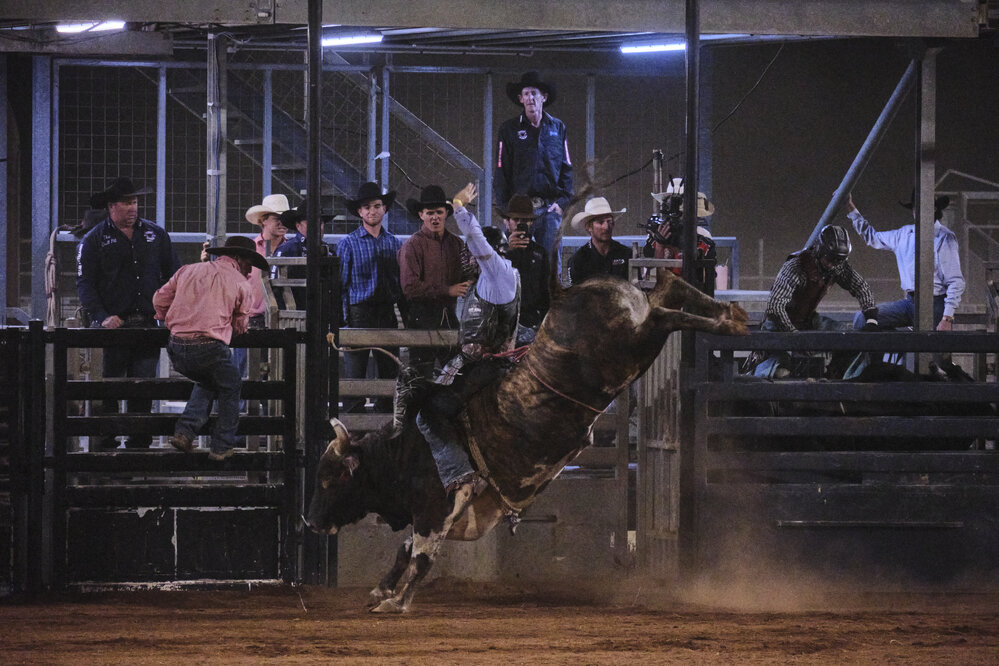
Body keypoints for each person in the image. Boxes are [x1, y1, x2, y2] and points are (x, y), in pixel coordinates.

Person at [414, 184, 520, 496]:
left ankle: (457, 475)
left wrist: (459, 205)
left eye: (471, 254)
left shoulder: (496, 272)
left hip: (484, 368)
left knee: (426, 415)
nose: (468, 259)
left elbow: (474, 238)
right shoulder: (493, 279)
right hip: (477, 365)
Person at [76, 177, 180, 450]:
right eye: (126, 203)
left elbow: (174, 275)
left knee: (142, 385)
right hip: (112, 326)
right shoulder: (94, 240)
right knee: (109, 385)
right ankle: (107, 441)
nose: (132, 208)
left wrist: (167, 311)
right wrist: (101, 316)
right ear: (112, 206)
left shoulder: (155, 235)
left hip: (146, 323)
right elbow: (85, 283)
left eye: (134, 202)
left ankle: (139, 442)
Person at [153, 236, 263, 461]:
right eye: (249, 262)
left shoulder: (188, 270)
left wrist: (171, 319)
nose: (251, 270)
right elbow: (240, 327)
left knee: (209, 379)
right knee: (231, 385)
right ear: (239, 259)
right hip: (210, 347)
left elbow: (159, 299)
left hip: (176, 346)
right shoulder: (241, 283)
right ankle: (221, 446)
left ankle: (184, 432)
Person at [847, 192, 965, 331]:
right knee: (863, 319)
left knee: (931, 349)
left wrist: (947, 318)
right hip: (911, 303)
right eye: (915, 208)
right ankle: (896, 348)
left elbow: (955, 281)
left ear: (933, 209)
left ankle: (906, 343)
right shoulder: (904, 234)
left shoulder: (945, 238)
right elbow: (872, 237)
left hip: (935, 304)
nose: (917, 212)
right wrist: (850, 206)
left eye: (922, 207)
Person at [494, 71, 574, 272]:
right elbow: (501, 169)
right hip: (519, 210)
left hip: (549, 208)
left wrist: (562, 203)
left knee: (549, 265)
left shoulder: (558, 128)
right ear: (520, 99)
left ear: (543, 97)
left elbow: (566, 167)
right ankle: (517, 303)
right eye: (526, 94)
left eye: (534, 93)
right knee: (516, 262)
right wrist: (505, 211)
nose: (530, 98)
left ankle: (549, 303)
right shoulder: (509, 129)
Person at [338, 182, 405, 413]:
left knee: (389, 373)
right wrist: (345, 320)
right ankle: (353, 433)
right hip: (359, 312)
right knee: (355, 375)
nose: (372, 211)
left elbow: (399, 283)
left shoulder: (394, 243)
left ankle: (384, 432)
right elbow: (341, 285)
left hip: (386, 312)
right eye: (366, 207)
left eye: (377, 206)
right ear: (360, 212)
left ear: (384, 209)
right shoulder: (348, 244)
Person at [397, 184, 477, 378]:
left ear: (445, 214)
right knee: (421, 374)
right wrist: (448, 290)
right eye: (430, 212)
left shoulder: (456, 243)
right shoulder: (413, 246)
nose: (435, 217)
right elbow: (410, 287)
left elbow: (467, 274)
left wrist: (472, 276)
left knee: (458, 373)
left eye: (439, 212)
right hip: (421, 318)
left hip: (448, 317)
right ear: (421, 215)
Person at [763, 225, 878, 333]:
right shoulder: (796, 266)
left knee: (847, 338)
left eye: (838, 261)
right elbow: (775, 306)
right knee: (779, 352)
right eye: (830, 260)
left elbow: (860, 287)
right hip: (778, 325)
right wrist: (793, 335)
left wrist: (871, 319)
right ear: (820, 251)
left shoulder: (837, 266)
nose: (832, 265)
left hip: (807, 320)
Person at [499, 194, 550, 344]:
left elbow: (545, 291)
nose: (521, 224)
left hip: (531, 321)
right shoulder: (496, 251)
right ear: (507, 222)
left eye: (525, 220)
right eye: (516, 220)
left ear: (531, 222)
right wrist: (507, 251)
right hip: (502, 321)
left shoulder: (540, 253)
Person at [271, 203, 333, 310]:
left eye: (321, 222)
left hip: (321, 313)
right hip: (293, 315)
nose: (318, 226)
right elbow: (275, 287)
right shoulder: (287, 250)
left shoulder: (328, 251)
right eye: (311, 221)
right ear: (298, 226)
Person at [566, 196, 631, 285]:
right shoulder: (578, 260)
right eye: (600, 222)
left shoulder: (626, 254)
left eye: (609, 221)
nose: (606, 227)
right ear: (589, 227)